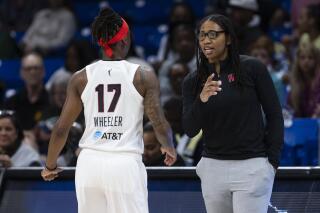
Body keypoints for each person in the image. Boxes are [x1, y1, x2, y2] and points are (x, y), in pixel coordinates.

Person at [41, 8, 177, 213]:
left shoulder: (80, 77)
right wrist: (168, 146)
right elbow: (158, 122)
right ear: (124, 41)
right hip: (124, 162)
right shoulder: (142, 76)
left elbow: (61, 129)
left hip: (89, 163)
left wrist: (50, 165)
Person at [182, 14, 284, 213]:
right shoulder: (192, 81)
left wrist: (271, 162)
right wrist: (201, 100)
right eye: (202, 35)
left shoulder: (252, 68)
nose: (206, 40)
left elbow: (274, 115)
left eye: (213, 34)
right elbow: (190, 129)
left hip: (252, 166)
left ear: (228, 38)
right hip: (213, 168)